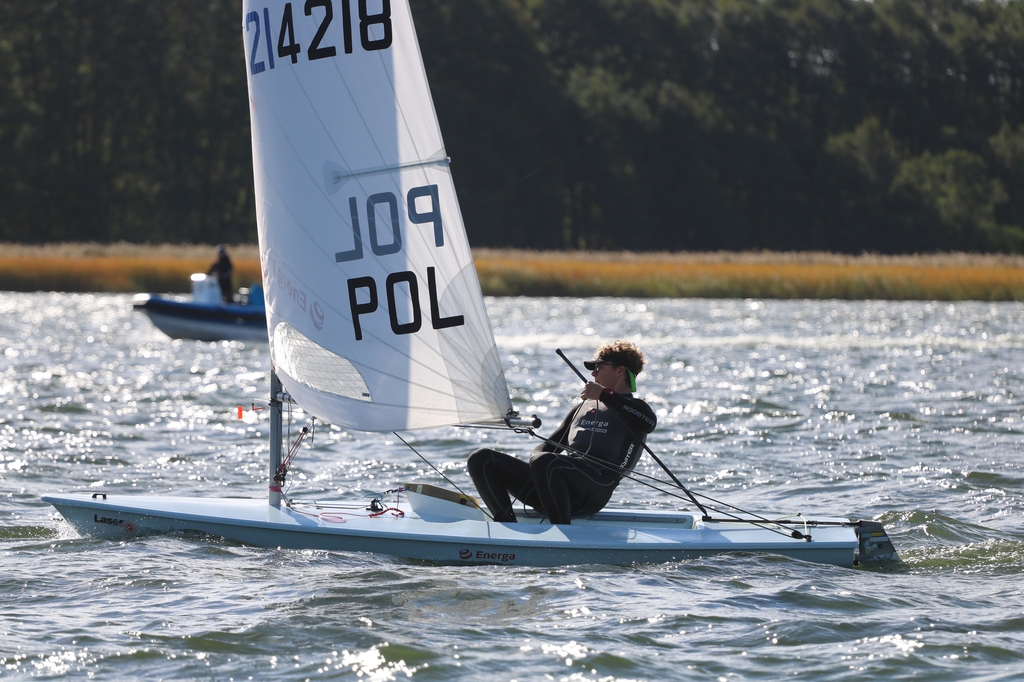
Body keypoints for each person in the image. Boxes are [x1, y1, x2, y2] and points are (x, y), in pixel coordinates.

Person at [467, 340, 657, 525]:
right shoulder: (582, 408)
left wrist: (603, 394)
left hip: (594, 491)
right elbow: (545, 449)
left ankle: (561, 533)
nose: (593, 373)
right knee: (482, 459)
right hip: (554, 484)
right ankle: (507, 527)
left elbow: (649, 422)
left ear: (620, 370)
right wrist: (536, 464)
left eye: (599, 367)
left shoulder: (636, 409)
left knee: (547, 462)